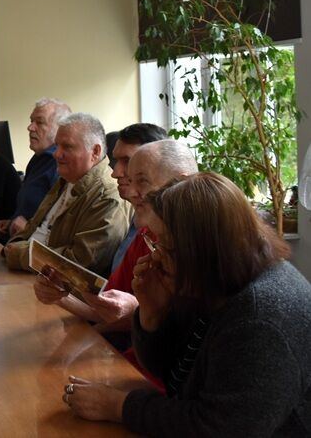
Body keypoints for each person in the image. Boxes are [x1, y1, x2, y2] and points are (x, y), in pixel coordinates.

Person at [63, 173, 311, 437]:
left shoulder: (260, 321)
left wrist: (119, 406)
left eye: (165, 246)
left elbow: (217, 428)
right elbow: (172, 375)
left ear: (201, 249)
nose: (155, 256)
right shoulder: (217, 281)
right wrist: (152, 313)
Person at [35, 139, 196, 384]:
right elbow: (110, 310)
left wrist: (142, 314)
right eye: (131, 181)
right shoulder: (146, 235)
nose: (130, 192)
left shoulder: (205, 249)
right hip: (132, 370)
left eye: (141, 181)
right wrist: (61, 294)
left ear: (182, 182)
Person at [4, 112, 130, 277]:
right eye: (57, 145)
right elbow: (31, 228)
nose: (56, 154)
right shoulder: (66, 179)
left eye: (67, 147)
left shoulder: (108, 197)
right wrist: (12, 248)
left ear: (95, 151)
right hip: (28, 271)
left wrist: (18, 254)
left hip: (54, 287)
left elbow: (80, 263)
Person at [0, 98, 70, 238]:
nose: (30, 127)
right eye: (31, 121)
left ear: (60, 129)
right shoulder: (38, 158)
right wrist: (12, 221)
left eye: (40, 122)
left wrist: (29, 228)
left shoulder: (60, 164)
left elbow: (58, 222)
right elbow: (30, 207)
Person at [105, 123, 168, 273]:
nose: (115, 173)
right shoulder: (139, 217)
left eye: (127, 161)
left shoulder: (166, 230)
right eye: (115, 161)